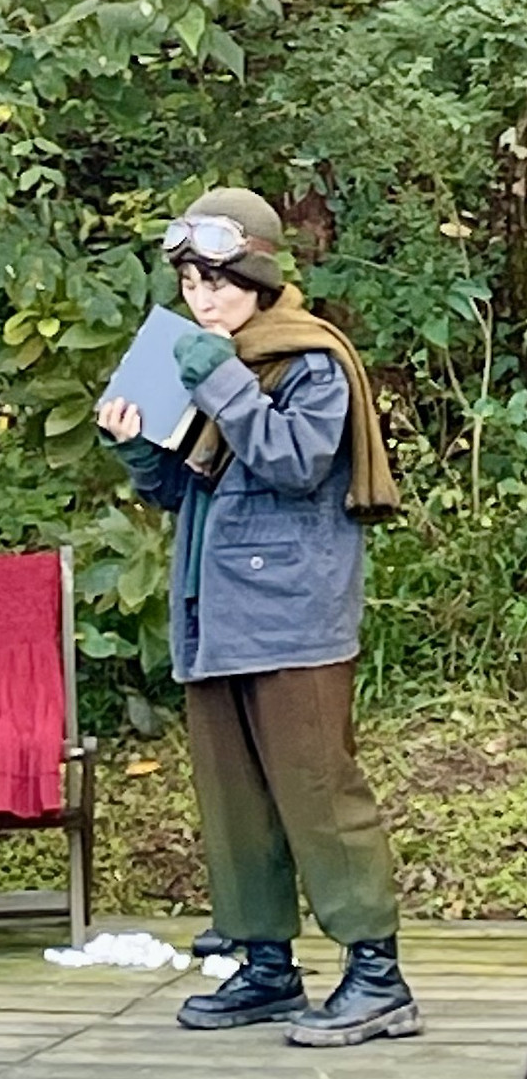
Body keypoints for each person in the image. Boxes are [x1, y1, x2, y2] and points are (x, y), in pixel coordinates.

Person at [96, 187, 420, 1048]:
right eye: (189, 283)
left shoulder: (311, 360)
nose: (202, 298)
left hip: (295, 621)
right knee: (235, 799)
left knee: (320, 796)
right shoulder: (215, 360)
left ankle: (377, 977)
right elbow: (184, 488)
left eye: (217, 280)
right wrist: (136, 444)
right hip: (214, 614)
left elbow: (294, 460)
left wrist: (220, 378)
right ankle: (268, 966)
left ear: (260, 276)